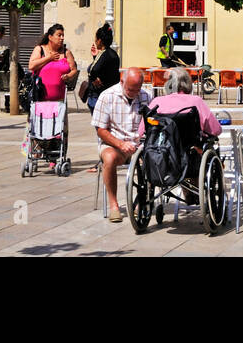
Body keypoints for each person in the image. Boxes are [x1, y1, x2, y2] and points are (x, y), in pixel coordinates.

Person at [92, 67, 152, 223]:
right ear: (122, 82)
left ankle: (141, 201)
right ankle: (114, 205)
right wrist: (120, 143)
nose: (134, 93)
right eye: (130, 89)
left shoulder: (146, 96)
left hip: (138, 145)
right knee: (109, 158)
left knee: (154, 159)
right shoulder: (107, 96)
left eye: (137, 89)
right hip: (114, 143)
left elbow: (152, 124)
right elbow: (100, 130)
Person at [144, 67, 222, 138]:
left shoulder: (157, 102)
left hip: (160, 148)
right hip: (189, 147)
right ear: (188, 83)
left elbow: (143, 130)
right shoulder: (196, 101)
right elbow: (215, 130)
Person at [27, 23, 78, 102]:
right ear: (50, 37)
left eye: (63, 35)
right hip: (40, 100)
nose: (62, 38)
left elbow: (74, 70)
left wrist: (68, 76)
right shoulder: (40, 49)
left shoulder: (66, 52)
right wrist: (49, 58)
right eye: (59, 35)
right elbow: (31, 66)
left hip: (60, 100)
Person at [84, 24, 121, 112]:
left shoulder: (103, 54)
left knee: (99, 124)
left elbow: (92, 70)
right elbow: (105, 69)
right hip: (111, 94)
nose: (95, 41)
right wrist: (95, 57)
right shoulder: (114, 54)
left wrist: (93, 79)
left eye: (96, 39)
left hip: (99, 95)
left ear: (100, 40)